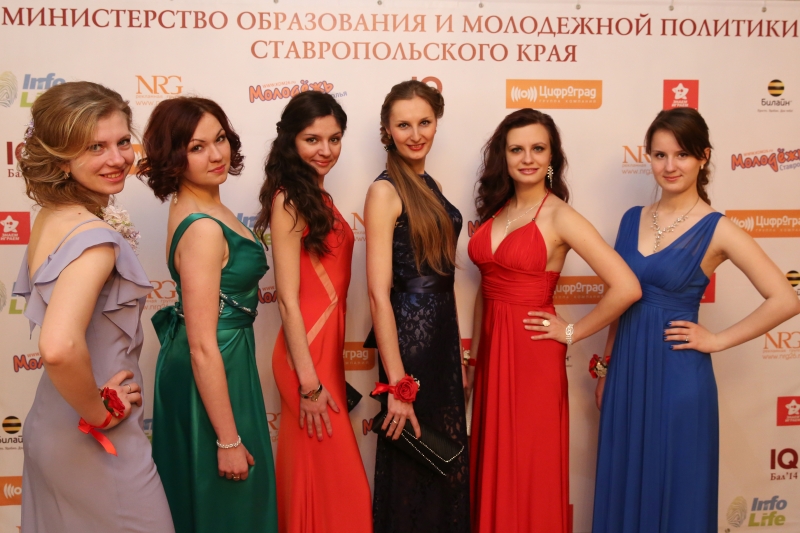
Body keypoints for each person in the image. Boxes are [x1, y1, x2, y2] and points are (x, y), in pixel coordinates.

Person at [591, 108, 800, 533]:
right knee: (626, 483)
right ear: (649, 157)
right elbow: (619, 299)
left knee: (675, 488)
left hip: (678, 376)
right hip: (627, 373)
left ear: (703, 157)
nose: (670, 166)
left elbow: (785, 299)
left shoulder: (718, 229)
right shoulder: (631, 218)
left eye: (682, 154)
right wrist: (607, 368)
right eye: (660, 155)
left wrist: (717, 340)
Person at [468, 108, 642, 533]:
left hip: (532, 358)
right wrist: (474, 358)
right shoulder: (498, 210)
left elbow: (627, 287)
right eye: (516, 149)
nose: (527, 158)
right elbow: (485, 290)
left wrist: (571, 331)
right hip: (490, 358)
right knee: (493, 464)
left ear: (552, 157)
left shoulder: (560, 215)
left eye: (538, 149)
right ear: (503, 156)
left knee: (529, 466)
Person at [13, 81, 174, 532]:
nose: (117, 158)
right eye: (95, 147)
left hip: (53, 422)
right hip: (92, 435)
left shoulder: (53, 216)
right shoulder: (94, 238)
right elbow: (58, 346)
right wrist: (99, 413)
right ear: (61, 157)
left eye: (122, 142)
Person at [139, 97, 278, 533]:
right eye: (196, 147)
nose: (216, 154)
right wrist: (228, 440)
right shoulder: (202, 227)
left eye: (219, 139)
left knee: (215, 503)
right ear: (173, 157)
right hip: (214, 361)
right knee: (228, 502)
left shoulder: (199, 204)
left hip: (220, 357)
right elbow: (202, 345)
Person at [255, 90, 372, 533]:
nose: (326, 150)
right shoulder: (288, 200)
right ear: (290, 140)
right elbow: (287, 299)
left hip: (324, 351)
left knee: (320, 479)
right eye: (312, 139)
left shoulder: (316, 195)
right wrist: (308, 384)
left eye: (334, 139)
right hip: (305, 358)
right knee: (342, 485)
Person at [364, 79, 469, 532]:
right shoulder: (385, 191)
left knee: (443, 466)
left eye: (424, 122)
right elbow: (378, 293)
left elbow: (443, 278)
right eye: (403, 125)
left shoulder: (431, 184)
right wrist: (398, 384)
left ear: (436, 123)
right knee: (414, 463)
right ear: (387, 131)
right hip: (409, 345)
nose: (415, 134)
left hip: (441, 338)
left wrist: (456, 357)